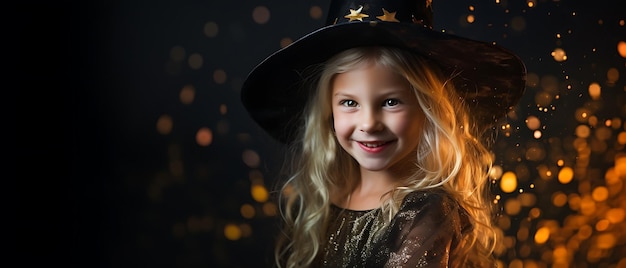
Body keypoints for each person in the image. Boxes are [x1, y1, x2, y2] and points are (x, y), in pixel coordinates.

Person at [241, 0, 526, 267]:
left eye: (391, 102)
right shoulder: (322, 203)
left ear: (427, 108)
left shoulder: (428, 212)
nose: (369, 123)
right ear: (328, 111)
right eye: (349, 103)